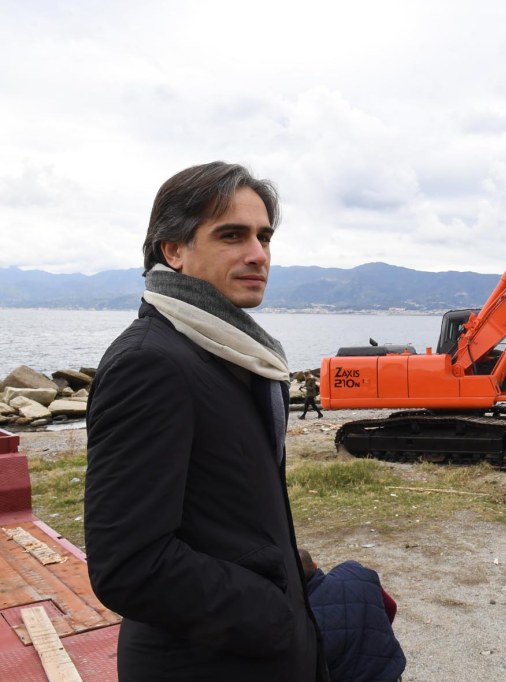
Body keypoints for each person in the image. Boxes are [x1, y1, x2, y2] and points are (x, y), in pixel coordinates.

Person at [84, 162, 326, 681]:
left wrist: (290, 574)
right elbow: (129, 566)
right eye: (232, 235)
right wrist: (273, 613)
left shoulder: (230, 354)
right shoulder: (150, 363)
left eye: (264, 236)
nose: (258, 254)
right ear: (173, 249)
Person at [299, 549, 406, 682]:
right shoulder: (355, 572)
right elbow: (391, 606)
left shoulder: (297, 617)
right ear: (315, 565)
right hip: (390, 671)